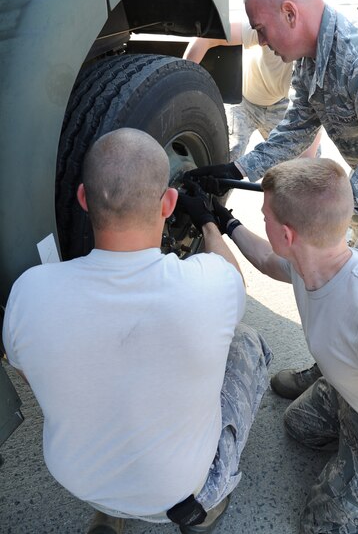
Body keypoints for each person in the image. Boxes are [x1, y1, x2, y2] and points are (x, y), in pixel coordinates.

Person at [3, 128, 272, 534]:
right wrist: (209, 223)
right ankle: (206, 507)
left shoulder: (28, 292)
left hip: (81, 480)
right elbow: (233, 277)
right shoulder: (210, 287)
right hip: (178, 492)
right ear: (168, 203)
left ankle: (111, 512)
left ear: (81, 199)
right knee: (247, 341)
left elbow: (32, 376)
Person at [187, 0, 358, 399]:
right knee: (325, 266)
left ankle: (343, 384)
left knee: (348, 279)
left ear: (290, 12)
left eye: (261, 29)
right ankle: (339, 369)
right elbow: (296, 128)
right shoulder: (310, 60)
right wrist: (238, 169)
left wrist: (327, 214)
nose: (259, 42)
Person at [213, 157, 358, 534]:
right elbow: (265, 259)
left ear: (288, 235)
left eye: (264, 216)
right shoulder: (311, 260)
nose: (261, 220)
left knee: (321, 528)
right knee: (299, 427)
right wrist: (223, 221)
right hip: (352, 390)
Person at [183, 20, 322, 161]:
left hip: (281, 105)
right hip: (243, 101)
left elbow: (312, 116)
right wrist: (182, 82)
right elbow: (205, 38)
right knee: (226, 156)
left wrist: (306, 158)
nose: (262, 42)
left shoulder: (309, 73)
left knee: (307, 161)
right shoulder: (267, 30)